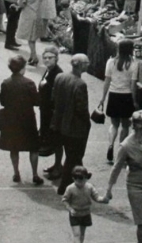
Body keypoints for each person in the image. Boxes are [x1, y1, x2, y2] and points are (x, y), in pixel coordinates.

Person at [102, 109, 142, 243]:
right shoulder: (126, 145)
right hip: (135, 186)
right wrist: (108, 190)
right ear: (138, 126)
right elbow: (116, 168)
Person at [0, 54, 43, 185]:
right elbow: (36, 102)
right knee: (33, 148)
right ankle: (35, 174)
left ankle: (16, 173)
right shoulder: (29, 83)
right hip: (27, 119)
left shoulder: (5, 83)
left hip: (11, 120)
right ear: (23, 68)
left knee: (14, 147)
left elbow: (2, 102)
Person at [53, 54, 93, 195]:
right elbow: (81, 108)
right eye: (87, 63)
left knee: (72, 155)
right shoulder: (80, 84)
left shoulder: (60, 77)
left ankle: (82, 175)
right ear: (81, 65)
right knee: (73, 156)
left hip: (59, 123)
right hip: (74, 127)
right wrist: (88, 122)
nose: (88, 65)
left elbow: (54, 98)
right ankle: (64, 186)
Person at [99, 38, 142, 164]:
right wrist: (134, 101)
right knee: (125, 126)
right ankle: (120, 151)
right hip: (126, 96)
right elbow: (133, 84)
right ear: (130, 50)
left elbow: (107, 80)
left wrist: (103, 98)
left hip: (113, 95)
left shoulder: (111, 62)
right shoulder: (134, 64)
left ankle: (110, 144)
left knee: (114, 124)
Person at [62, 166, 109, 243]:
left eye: (82, 179)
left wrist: (104, 199)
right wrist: (70, 208)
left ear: (86, 178)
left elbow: (96, 197)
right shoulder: (70, 188)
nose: (80, 182)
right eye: (78, 180)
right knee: (77, 234)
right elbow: (65, 200)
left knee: (82, 235)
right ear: (73, 178)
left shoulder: (90, 187)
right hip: (75, 214)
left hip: (85, 214)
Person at [38, 47, 65, 178]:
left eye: (50, 58)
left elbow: (58, 96)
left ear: (56, 59)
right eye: (45, 58)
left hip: (53, 113)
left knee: (57, 140)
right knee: (51, 139)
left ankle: (59, 166)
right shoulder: (48, 71)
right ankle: (56, 164)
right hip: (45, 111)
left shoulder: (58, 74)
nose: (47, 60)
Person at [16, 0, 46, 64]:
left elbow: (20, 3)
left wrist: (23, 4)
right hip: (38, 13)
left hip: (28, 13)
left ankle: (34, 57)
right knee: (33, 37)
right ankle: (32, 56)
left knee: (30, 38)